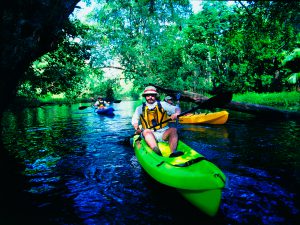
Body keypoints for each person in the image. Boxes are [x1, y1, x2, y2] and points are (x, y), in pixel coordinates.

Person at [132, 86, 183, 157]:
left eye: (152, 95)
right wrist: (137, 128)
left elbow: (176, 108)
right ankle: (156, 150)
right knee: (146, 131)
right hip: (149, 133)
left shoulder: (163, 104)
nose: (150, 97)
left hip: (163, 133)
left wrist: (177, 113)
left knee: (173, 130)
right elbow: (135, 120)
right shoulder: (139, 108)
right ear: (145, 96)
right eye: (148, 95)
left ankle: (173, 152)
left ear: (155, 95)